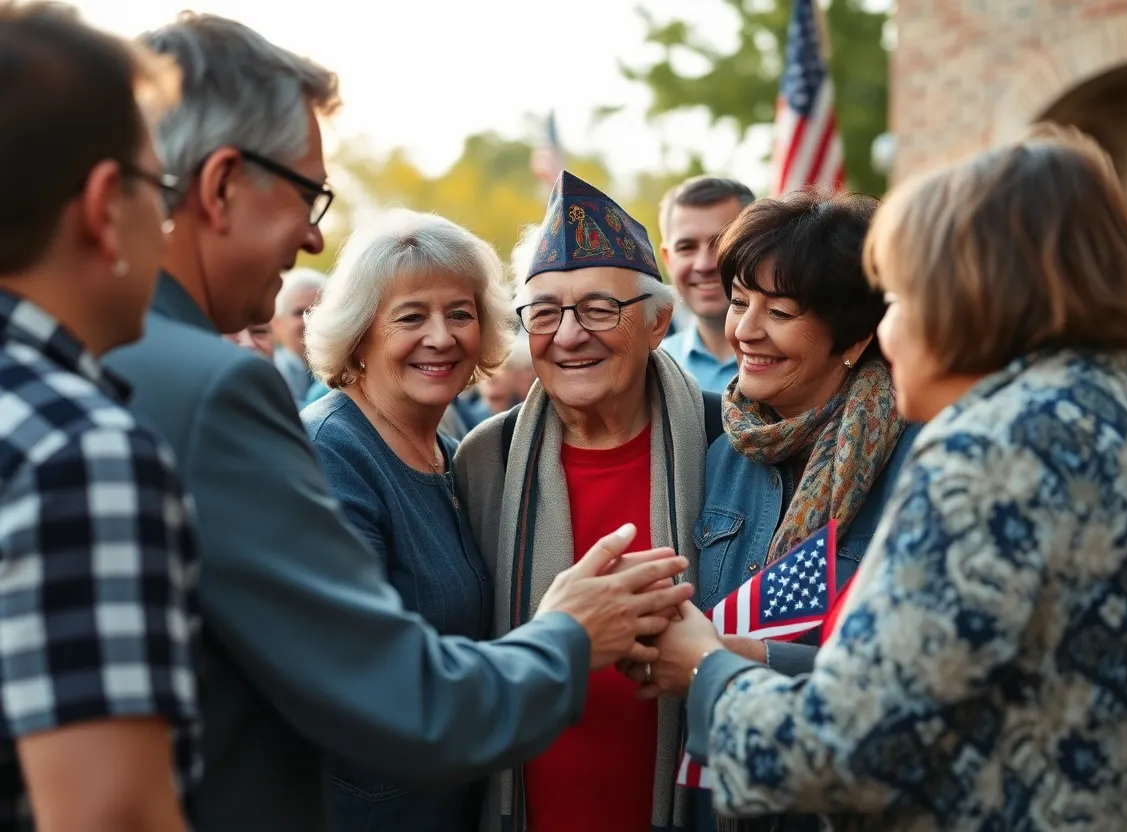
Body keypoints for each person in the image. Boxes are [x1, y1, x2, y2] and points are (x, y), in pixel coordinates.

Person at [103, 17, 693, 832]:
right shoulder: (227, 396)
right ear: (222, 185)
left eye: (461, 314)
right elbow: (390, 694)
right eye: (308, 195)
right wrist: (568, 632)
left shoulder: (463, 454)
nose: (313, 234)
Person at [651, 125, 1127, 830]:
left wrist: (708, 672)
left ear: (975, 299)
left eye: (902, 300)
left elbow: (846, 748)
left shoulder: (990, 451)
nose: (886, 334)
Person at [634, 190, 919, 832]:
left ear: (855, 334)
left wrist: (733, 659)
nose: (745, 330)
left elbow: (918, 683)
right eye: (739, 302)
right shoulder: (713, 452)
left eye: (780, 311)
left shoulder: (920, 465)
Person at [455, 171, 716, 832]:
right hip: (529, 806)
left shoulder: (727, 444)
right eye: (544, 312)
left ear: (659, 322)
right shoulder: (485, 460)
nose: (569, 335)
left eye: (600, 309)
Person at [0, 4, 199, 830]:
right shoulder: (81, 453)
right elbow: (112, 816)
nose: (167, 223)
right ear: (101, 207)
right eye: (158, 189)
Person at [301, 209, 517, 831]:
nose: (442, 337)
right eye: (411, 316)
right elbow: (362, 668)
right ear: (360, 333)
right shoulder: (330, 451)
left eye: (460, 312)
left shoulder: (453, 450)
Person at [659, 176, 755, 393]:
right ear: (667, 259)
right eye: (686, 247)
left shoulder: (795, 361)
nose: (704, 265)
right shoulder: (648, 371)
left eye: (722, 244)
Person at [272, 267, 325, 403]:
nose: (309, 320)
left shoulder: (351, 375)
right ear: (277, 324)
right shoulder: (270, 376)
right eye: (299, 312)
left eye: (317, 310)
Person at [477, 331, 535, 414]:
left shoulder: (534, 415)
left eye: (501, 367)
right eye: (483, 367)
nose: (490, 379)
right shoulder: (463, 417)